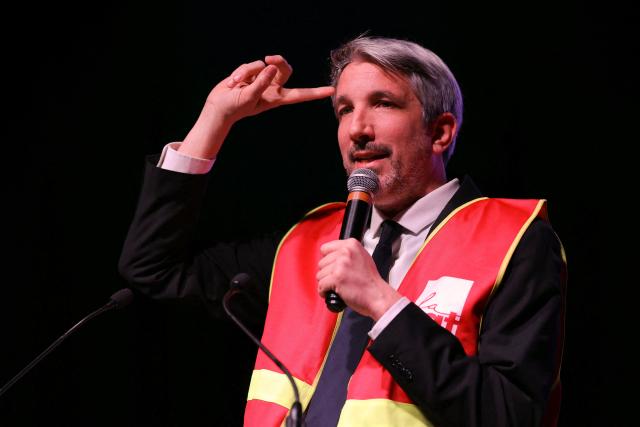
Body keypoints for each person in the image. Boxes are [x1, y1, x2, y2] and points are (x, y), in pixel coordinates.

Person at [119, 35, 566, 426]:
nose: (357, 129)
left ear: (441, 132)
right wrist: (214, 120)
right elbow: (153, 268)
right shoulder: (306, 243)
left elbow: (510, 413)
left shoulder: (511, 240)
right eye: (344, 109)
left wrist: (381, 304)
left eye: (383, 104)